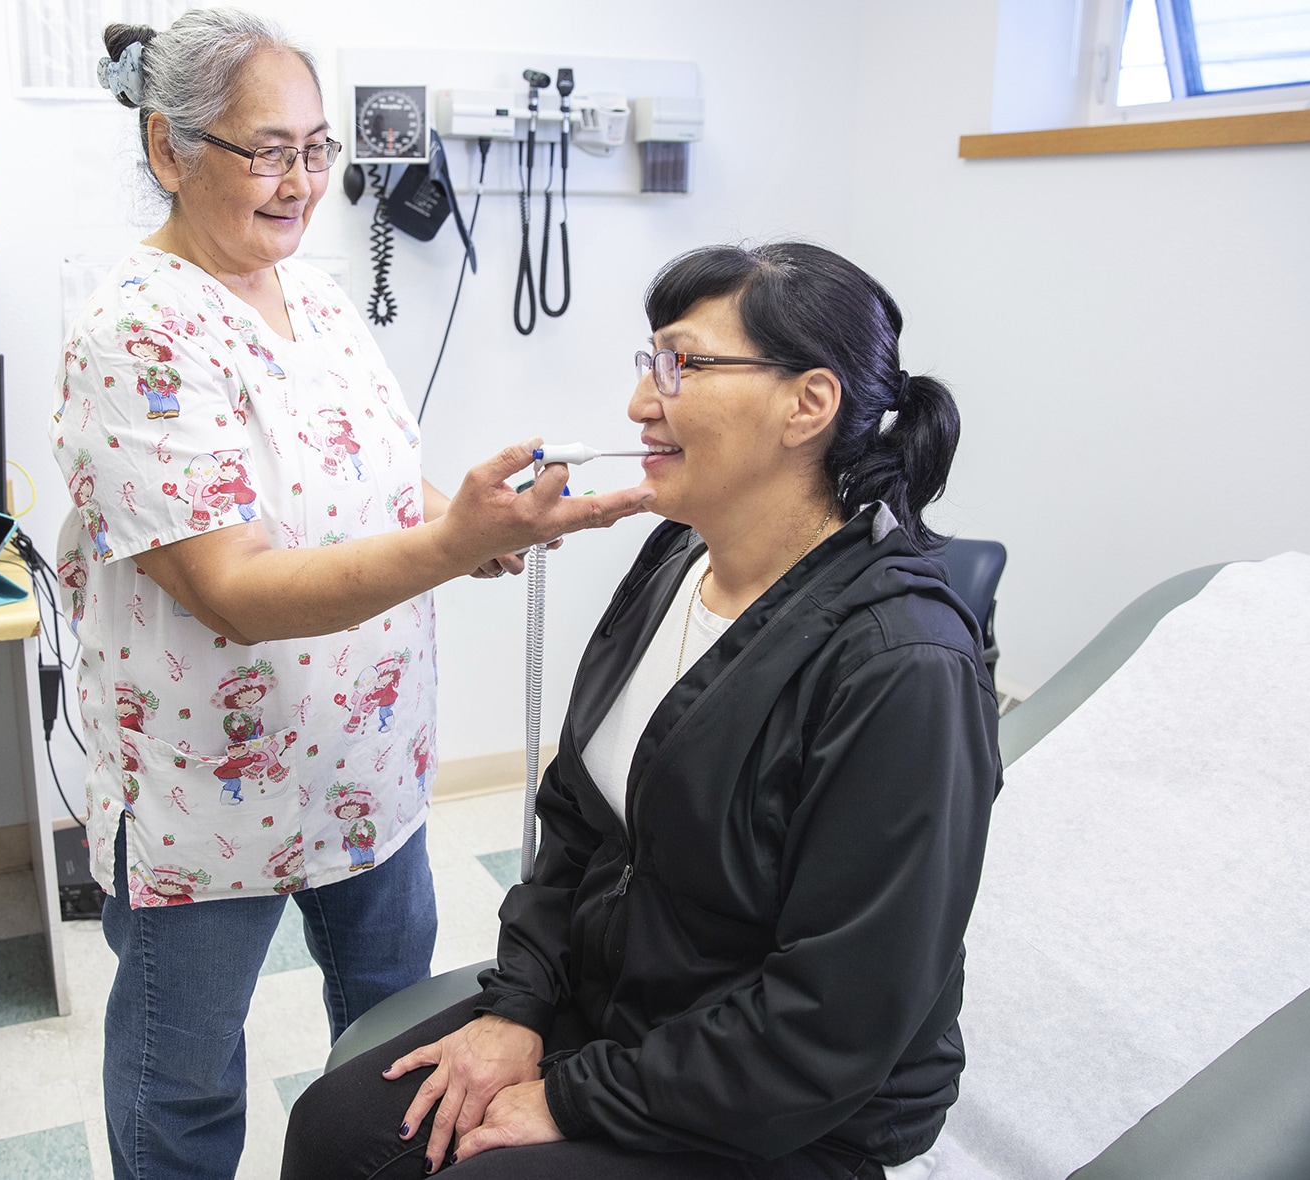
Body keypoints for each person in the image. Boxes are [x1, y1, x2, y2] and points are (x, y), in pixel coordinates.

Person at [49, 10, 653, 1180]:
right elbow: (234, 592)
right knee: (184, 1082)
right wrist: (449, 543)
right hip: (204, 800)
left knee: (391, 1052)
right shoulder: (137, 333)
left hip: (365, 761)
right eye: (267, 150)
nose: (302, 183)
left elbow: (377, 483)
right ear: (171, 151)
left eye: (319, 149)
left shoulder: (317, 296)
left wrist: (482, 528)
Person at [282, 241, 1002, 1180]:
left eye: (684, 365)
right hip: (624, 1009)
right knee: (334, 1132)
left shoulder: (903, 668)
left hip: (786, 1104)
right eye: (647, 361)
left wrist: (572, 1099)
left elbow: (836, 1015)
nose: (639, 402)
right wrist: (518, 1006)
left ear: (808, 404)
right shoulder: (675, 560)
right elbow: (581, 818)